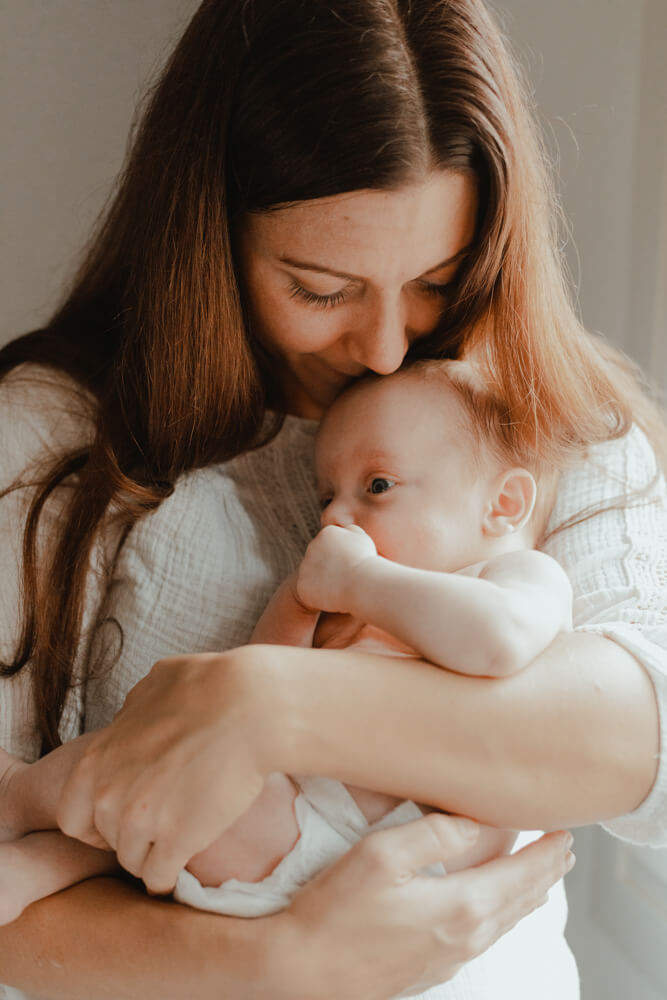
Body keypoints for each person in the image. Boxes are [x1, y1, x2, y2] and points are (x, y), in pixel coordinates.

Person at [0, 0, 665, 997]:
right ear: (210, 234)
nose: (388, 347)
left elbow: (634, 746)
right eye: (320, 288)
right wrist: (281, 963)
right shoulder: (54, 434)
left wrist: (269, 705)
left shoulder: (543, 421)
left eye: (439, 280)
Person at [0, 359, 573, 930]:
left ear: (503, 505)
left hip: (403, 866)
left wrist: (361, 583)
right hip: (291, 827)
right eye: (327, 497)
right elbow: (254, 682)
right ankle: (34, 825)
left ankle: (33, 814)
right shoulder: (352, 606)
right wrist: (298, 607)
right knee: (162, 770)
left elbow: (497, 643)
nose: (336, 517)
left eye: (377, 486)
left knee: (179, 798)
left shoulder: (519, 578)